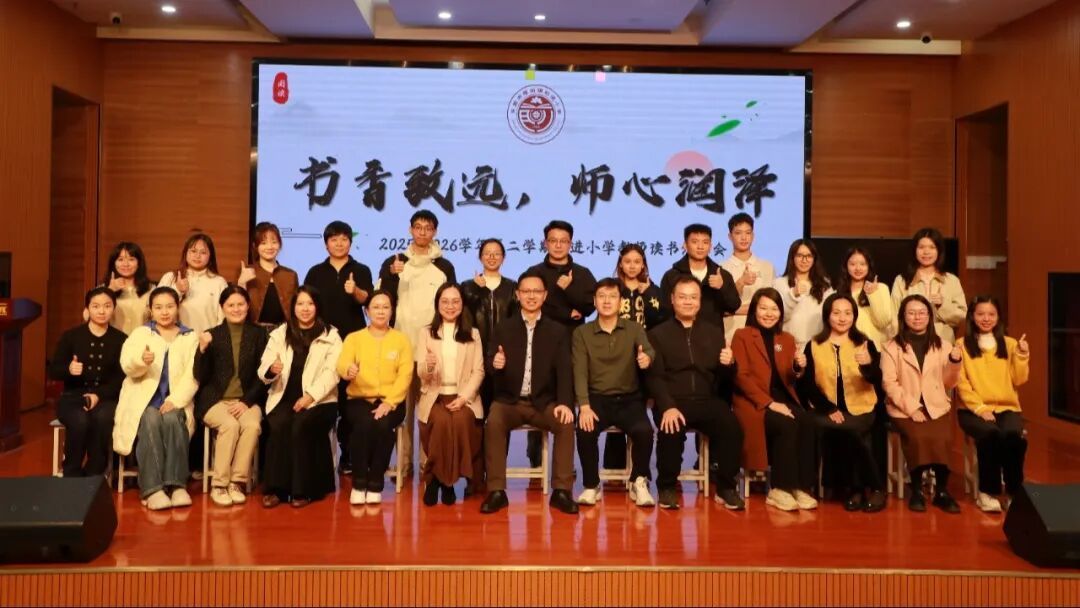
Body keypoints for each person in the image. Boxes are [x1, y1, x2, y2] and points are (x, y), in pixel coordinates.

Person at [479, 270, 577, 515]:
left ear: (545, 295)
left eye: (536, 291)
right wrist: (496, 364)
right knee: (494, 421)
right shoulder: (504, 328)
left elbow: (565, 371)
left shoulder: (557, 330)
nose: (531, 296)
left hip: (544, 402)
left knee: (565, 422)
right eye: (526, 291)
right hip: (509, 401)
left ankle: (562, 491)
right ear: (517, 294)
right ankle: (496, 491)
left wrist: (565, 403)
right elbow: (489, 362)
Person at [647, 276, 746, 510]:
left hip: (706, 399)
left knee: (732, 428)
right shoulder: (657, 334)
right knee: (671, 428)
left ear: (700, 302)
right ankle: (667, 487)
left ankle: (726, 487)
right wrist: (667, 406)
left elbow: (725, 377)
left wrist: (729, 364)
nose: (688, 302)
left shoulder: (713, 332)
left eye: (693, 297)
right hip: (673, 400)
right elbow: (654, 376)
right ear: (672, 299)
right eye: (682, 297)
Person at [377, 210, 457, 477]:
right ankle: (402, 463)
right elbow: (381, 300)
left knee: (428, 411)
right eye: (418, 227)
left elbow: (452, 303)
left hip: (432, 349)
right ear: (410, 229)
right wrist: (392, 275)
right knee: (401, 410)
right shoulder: (395, 262)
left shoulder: (444, 266)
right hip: (400, 347)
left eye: (428, 228)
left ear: (435, 232)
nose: (423, 232)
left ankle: (427, 462)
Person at [798, 294, 886, 512]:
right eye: (836, 313)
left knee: (855, 430)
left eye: (847, 313)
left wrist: (868, 365)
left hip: (861, 406)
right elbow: (807, 384)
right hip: (825, 408)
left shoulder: (865, 343)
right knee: (813, 425)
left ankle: (873, 488)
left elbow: (877, 380)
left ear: (854, 316)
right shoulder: (814, 345)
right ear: (827, 316)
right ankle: (838, 488)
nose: (842, 318)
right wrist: (828, 408)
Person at [572, 278, 656, 508]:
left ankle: (639, 481)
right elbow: (580, 371)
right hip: (597, 399)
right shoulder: (582, 333)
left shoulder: (634, 329)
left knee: (644, 431)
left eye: (612, 296)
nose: (607, 301)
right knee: (585, 430)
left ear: (621, 302)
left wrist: (646, 358)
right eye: (602, 296)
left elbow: (649, 350)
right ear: (594, 301)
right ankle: (591, 485)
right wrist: (584, 406)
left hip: (629, 399)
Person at [113, 287, 199, 511]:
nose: (165, 312)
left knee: (172, 419)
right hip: (144, 401)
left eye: (169, 306)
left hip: (175, 400)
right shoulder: (141, 334)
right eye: (159, 307)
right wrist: (142, 360)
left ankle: (177, 485)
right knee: (150, 419)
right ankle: (152, 489)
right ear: (151, 310)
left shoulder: (190, 337)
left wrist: (176, 400)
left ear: (177, 308)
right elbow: (126, 364)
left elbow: (193, 374)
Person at [731, 288, 817, 512]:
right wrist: (771, 404)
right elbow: (741, 377)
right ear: (754, 310)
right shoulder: (742, 335)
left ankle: (800, 487)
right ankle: (780, 488)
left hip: (783, 398)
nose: (769, 314)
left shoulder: (786, 339)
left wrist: (798, 367)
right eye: (763, 308)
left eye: (774, 309)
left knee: (808, 422)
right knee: (786, 425)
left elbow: (789, 377)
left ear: (781, 312)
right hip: (754, 402)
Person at [258, 287, 343, 508]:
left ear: (317, 307)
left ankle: (303, 490)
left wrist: (310, 397)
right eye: (300, 304)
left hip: (321, 400)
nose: (305, 309)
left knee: (301, 424)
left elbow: (332, 373)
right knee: (279, 424)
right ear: (293, 307)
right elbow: (264, 365)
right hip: (283, 397)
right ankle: (276, 489)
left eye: (310, 304)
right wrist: (271, 369)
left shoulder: (331, 335)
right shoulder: (280, 333)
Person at [523, 220, 596, 468]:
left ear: (570, 243)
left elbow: (589, 306)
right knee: (539, 396)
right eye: (553, 240)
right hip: (540, 342)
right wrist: (566, 312)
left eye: (563, 241)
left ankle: (565, 462)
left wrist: (567, 290)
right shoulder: (534, 273)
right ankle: (535, 458)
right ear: (545, 243)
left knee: (568, 397)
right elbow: (533, 305)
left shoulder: (582, 273)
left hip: (573, 342)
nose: (558, 245)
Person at [881, 294, 963, 514]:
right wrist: (913, 408)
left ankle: (942, 492)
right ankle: (916, 489)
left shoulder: (943, 345)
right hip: (903, 407)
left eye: (922, 313)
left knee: (943, 437)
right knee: (918, 436)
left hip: (936, 404)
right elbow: (889, 383)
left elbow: (949, 383)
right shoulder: (891, 347)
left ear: (929, 316)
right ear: (903, 316)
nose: (917, 317)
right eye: (911, 313)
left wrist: (954, 363)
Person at [303, 220, 374, 474]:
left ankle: (348, 455)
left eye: (344, 239)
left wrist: (355, 291)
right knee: (322, 397)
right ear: (326, 244)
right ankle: (319, 456)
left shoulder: (361, 269)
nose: (339, 243)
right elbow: (306, 305)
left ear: (350, 243)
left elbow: (368, 300)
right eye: (334, 239)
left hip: (353, 343)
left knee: (349, 402)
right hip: (321, 343)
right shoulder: (315, 272)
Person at [193, 286, 269, 507]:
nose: (236, 309)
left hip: (247, 399)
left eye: (241, 304)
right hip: (215, 399)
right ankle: (219, 485)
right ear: (222, 307)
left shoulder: (259, 334)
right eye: (231, 305)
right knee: (230, 425)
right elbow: (200, 376)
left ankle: (236, 482)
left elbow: (262, 375)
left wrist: (246, 402)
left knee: (252, 426)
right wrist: (202, 349)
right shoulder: (212, 334)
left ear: (248, 306)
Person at [336, 291, 414, 506]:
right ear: (367, 311)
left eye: (385, 307)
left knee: (382, 425)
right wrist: (348, 370)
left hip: (392, 400)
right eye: (376, 307)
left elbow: (405, 374)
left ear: (392, 311)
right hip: (358, 398)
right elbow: (342, 363)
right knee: (363, 423)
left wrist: (390, 402)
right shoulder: (354, 338)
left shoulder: (401, 340)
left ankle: (375, 482)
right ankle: (359, 483)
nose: (381, 311)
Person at [956, 296, 1030, 513]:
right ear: (972, 316)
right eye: (980, 314)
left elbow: (1019, 379)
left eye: (991, 314)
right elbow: (962, 384)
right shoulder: (961, 345)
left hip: (1007, 407)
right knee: (990, 435)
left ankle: (1014, 491)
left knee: (1014, 436)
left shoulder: (1010, 344)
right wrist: (980, 409)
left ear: (998, 317)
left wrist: (1022, 355)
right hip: (972, 409)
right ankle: (987, 492)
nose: (986, 319)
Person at [416, 283, 485, 506]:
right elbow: (421, 373)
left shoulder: (472, 334)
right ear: (437, 304)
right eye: (445, 301)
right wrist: (428, 366)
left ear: (462, 305)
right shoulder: (426, 333)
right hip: (435, 396)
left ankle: (442, 481)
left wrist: (463, 398)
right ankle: (439, 481)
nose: (450, 306)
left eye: (455, 301)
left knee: (461, 420)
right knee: (441, 421)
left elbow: (478, 371)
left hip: (464, 397)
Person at [49, 287, 127, 477]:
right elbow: (53, 370)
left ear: (114, 308)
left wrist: (98, 395)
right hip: (73, 397)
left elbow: (121, 379)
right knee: (79, 420)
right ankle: (72, 472)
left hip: (106, 398)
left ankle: (95, 472)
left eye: (107, 306)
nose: (101, 311)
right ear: (87, 309)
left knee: (103, 418)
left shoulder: (121, 339)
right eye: (96, 306)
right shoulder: (71, 336)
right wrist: (68, 369)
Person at [602, 243, 664, 479]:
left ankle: (640, 472)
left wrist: (647, 294)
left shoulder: (652, 289)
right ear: (620, 264)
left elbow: (661, 317)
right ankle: (614, 467)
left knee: (637, 414)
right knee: (614, 410)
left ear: (643, 265)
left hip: (643, 356)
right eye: (627, 261)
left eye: (637, 262)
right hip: (615, 355)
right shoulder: (612, 288)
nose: (632, 266)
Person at [460, 238, 517, 415]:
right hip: (475, 352)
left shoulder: (512, 287)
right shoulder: (467, 287)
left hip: (503, 354)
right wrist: (477, 291)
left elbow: (516, 320)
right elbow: (462, 316)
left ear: (503, 258)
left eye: (496, 254)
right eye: (487, 254)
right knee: (476, 407)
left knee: (500, 408)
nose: (492, 257)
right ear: (480, 257)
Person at [890, 227, 967, 344]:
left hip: (943, 343)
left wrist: (943, 306)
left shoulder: (951, 280)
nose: (926, 252)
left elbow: (962, 317)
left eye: (932, 247)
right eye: (921, 247)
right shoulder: (901, 280)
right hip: (909, 343)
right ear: (914, 250)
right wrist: (900, 343)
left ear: (939, 251)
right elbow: (894, 317)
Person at [659, 223, 740, 329]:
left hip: (712, 335)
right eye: (695, 242)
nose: (700, 247)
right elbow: (664, 311)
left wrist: (722, 287)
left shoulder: (721, 274)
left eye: (705, 242)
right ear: (685, 245)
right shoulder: (672, 276)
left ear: (710, 247)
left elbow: (734, 306)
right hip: (679, 334)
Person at [721, 213, 776, 345]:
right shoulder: (721, 268)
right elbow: (721, 308)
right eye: (738, 233)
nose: (744, 237)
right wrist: (741, 283)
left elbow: (773, 304)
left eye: (748, 232)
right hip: (730, 335)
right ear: (730, 236)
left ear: (753, 236)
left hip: (762, 334)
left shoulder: (767, 267)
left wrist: (735, 310)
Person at [158, 233, 229, 334]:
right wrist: (178, 291)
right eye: (193, 251)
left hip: (206, 341)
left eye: (203, 252)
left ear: (210, 256)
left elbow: (224, 320)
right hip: (174, 340)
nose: (197, 256)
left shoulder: (219, 282)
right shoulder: (170, 277)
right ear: (185, 253)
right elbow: (157, 310)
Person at [773, 239, 834, 351]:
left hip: (817, 345)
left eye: (809, 256)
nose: (804, 260)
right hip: (788, 345)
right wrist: (793, 295)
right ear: (792, 258)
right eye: (799, 255)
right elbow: (778, 317)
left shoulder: (825, 285)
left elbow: (830, 316)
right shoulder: (780, 283)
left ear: (814, 259)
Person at [240, 222, 299, 328]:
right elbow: (236, 308)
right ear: (255, 246)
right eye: (263, 243)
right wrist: (241, 284)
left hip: (283, 332)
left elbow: (296, 309)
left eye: (274, 242)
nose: (270, 247)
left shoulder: (290, 275)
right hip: (253, 331)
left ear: (279, 245)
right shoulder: (247, 271)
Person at [835, 246, 893, 350]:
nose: (858, 268)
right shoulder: (839, 293)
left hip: (875, 350)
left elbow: (884, 322)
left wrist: (872, 294)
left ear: (869, 266)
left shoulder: (880, 288)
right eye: (853, 264)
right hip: (848, 350)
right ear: (846, 266)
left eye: (862, 264)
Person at [99, 242, 153, 335]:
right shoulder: (103, 289)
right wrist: (110, 291)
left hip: (142, 341)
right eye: (120, 259)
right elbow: (87, 316)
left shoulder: (151, 289)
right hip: (114, 341)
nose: (126, 264)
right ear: (114, 263)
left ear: (139, 263)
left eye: (131, 259)